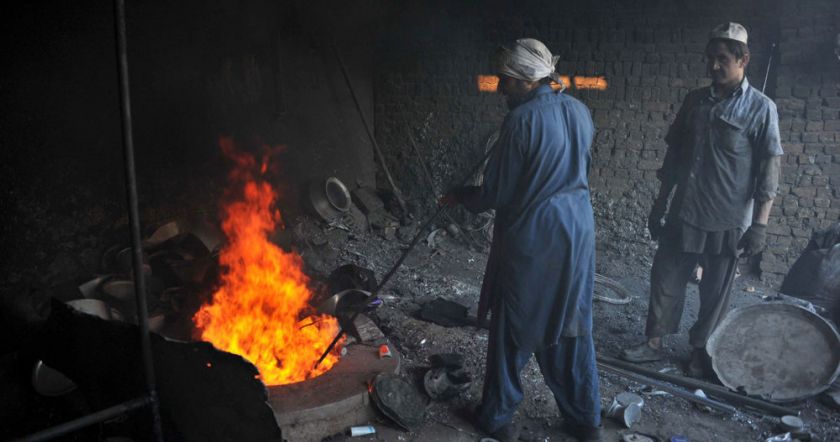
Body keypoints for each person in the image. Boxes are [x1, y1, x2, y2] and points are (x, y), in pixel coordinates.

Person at [442, 38, 601, 442]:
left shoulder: (521, 121)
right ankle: (585, 419)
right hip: (578, 229)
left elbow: (497, 193)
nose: (500, 89)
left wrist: (461, 195)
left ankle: (496, 417)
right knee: (570, 320)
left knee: (515, 320)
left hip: (537, 232)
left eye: (505, 80)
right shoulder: (580, 111)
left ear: (526, 80)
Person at [619, 22, 783, 378]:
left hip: (727, 217)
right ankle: (653, 343)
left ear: (743, 60)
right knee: (665, 276)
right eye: (710, 58)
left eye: (722, 59)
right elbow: (674, 158)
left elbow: (769, 170)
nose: (713, 66)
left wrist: (760, 225)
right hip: (684, 209)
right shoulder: (694, 101)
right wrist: (660, 204)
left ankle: (700, 350)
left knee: (715, 290)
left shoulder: (761, 108)